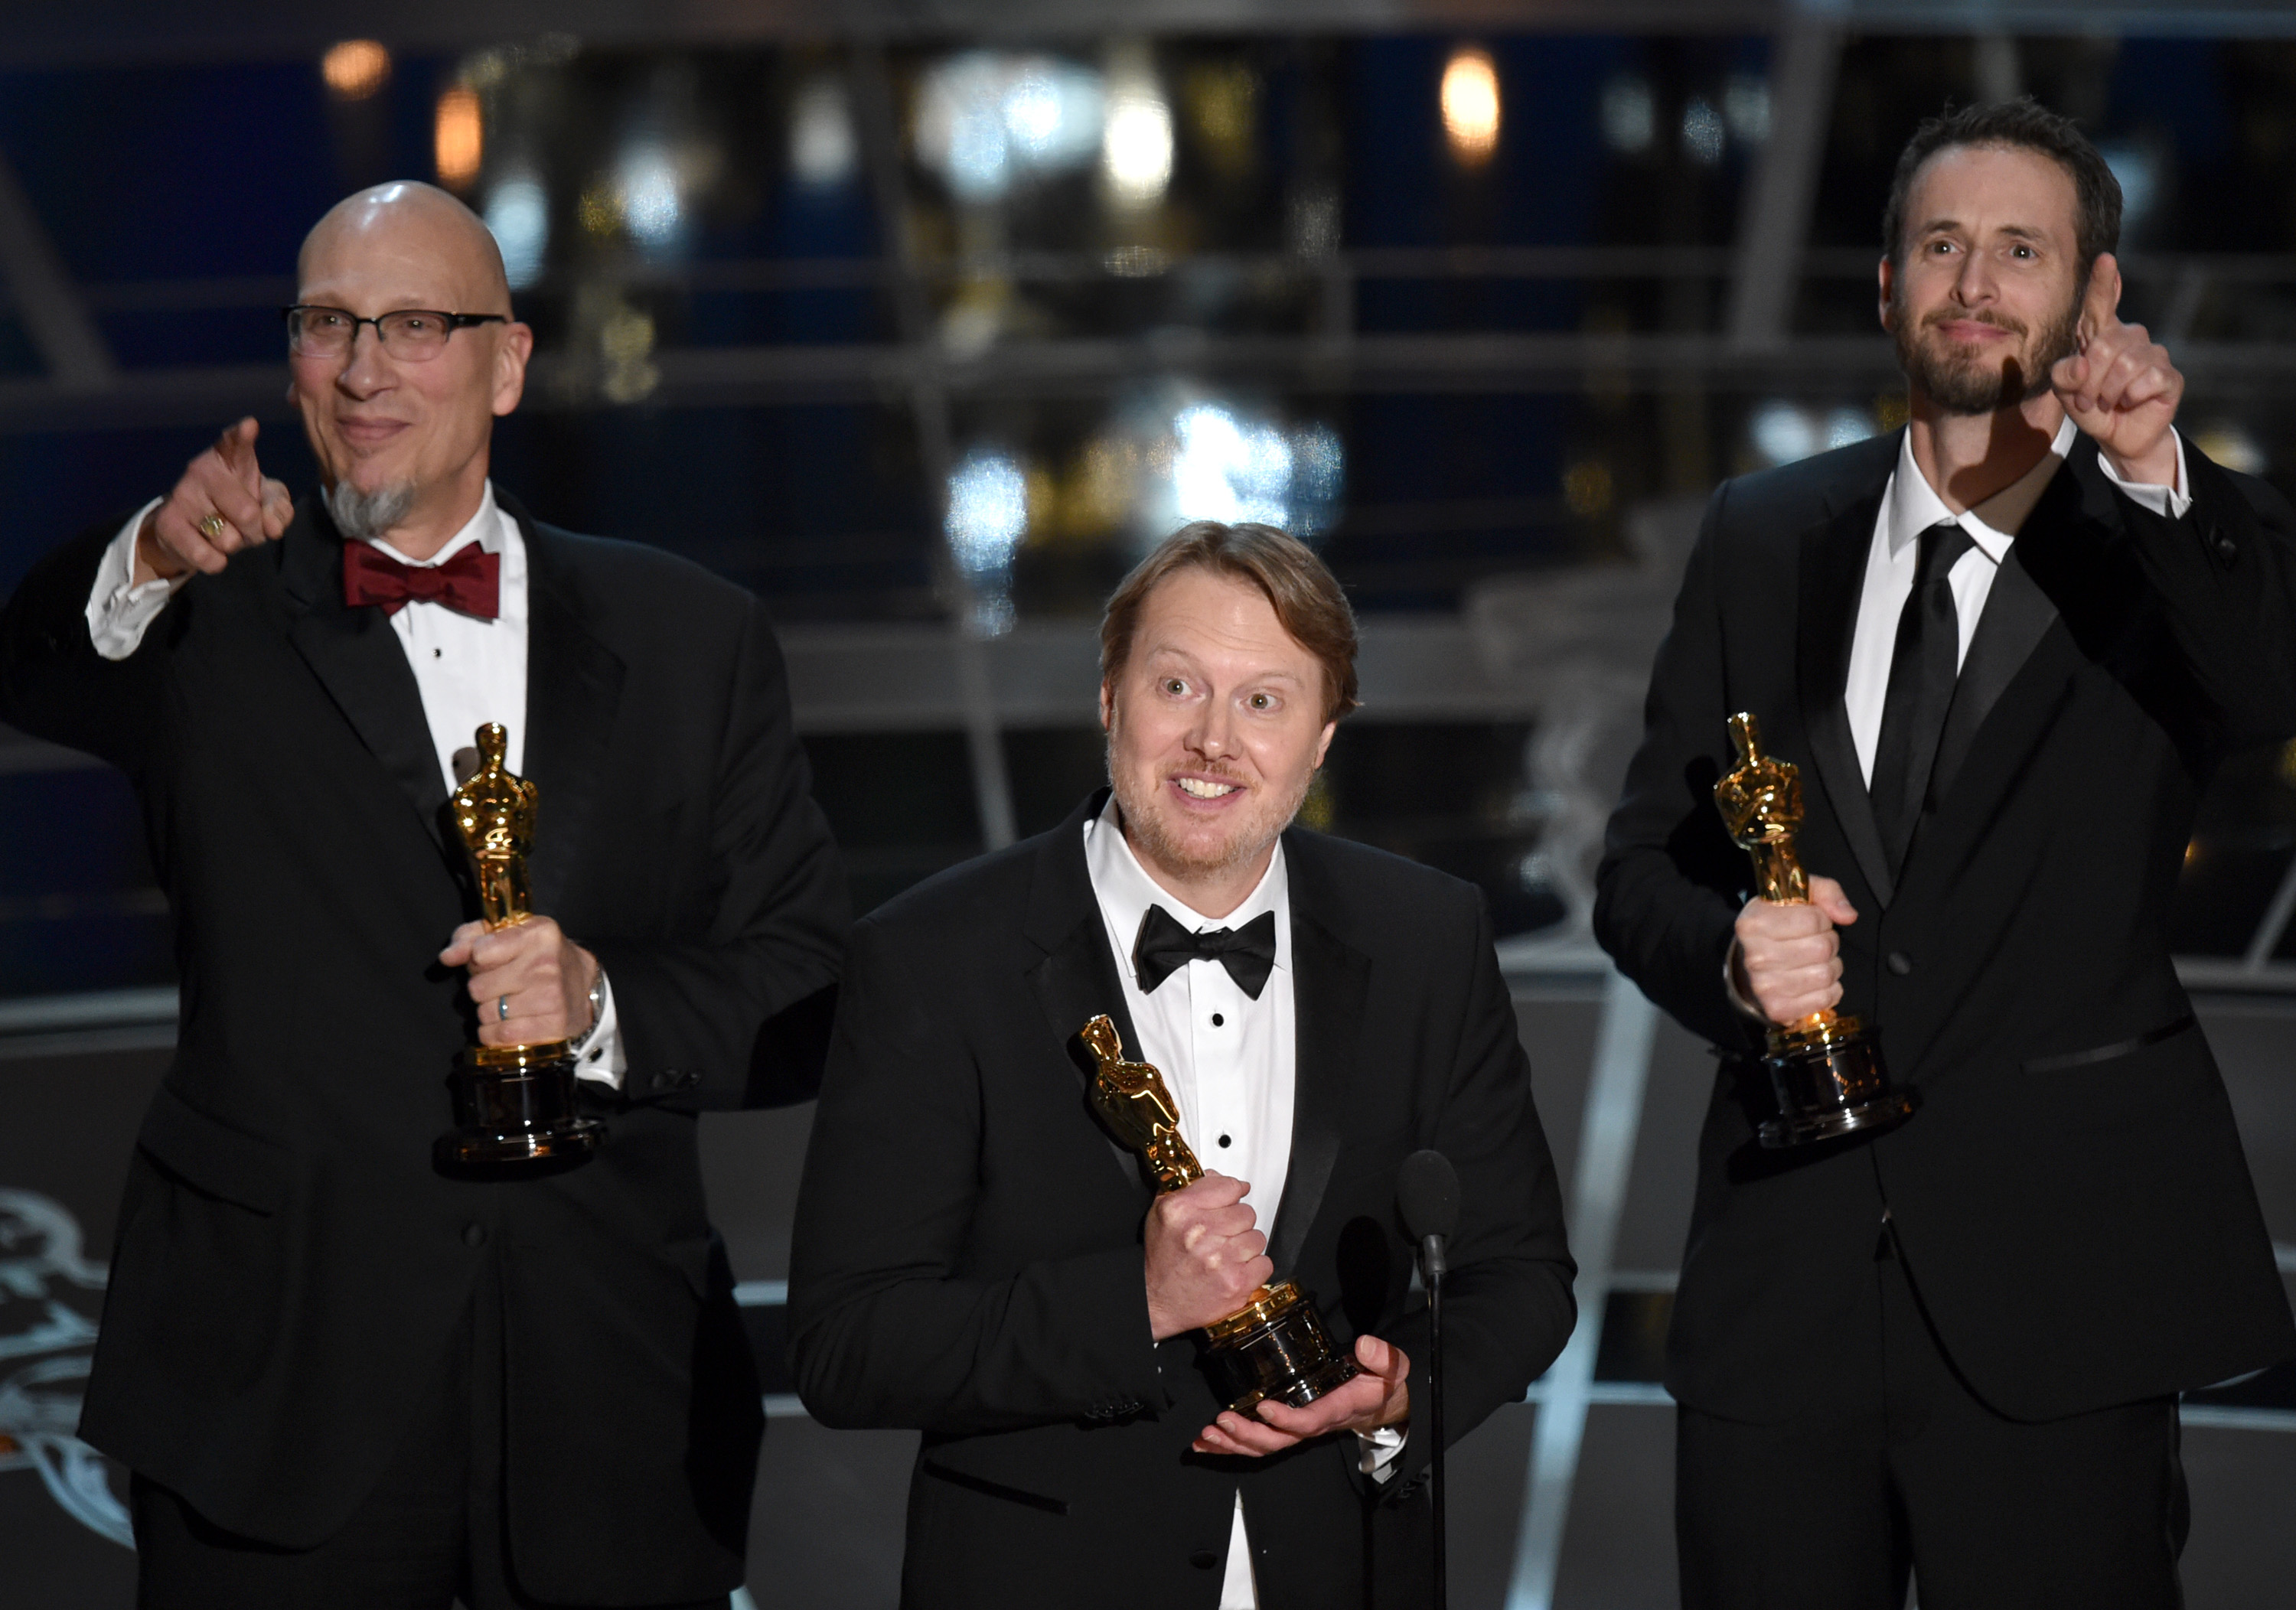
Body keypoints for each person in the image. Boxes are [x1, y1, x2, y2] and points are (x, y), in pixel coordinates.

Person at [0, 181, 848, 1608]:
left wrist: (605, 1008)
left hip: (611, 1391)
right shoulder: (210, 605)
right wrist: (148, 551)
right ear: (292, 361)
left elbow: (809, 973)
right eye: (328, 324)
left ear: (508, 363)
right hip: (277, 1389)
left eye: (413, 324)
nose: (366, 366)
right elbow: (32, 665)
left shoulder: (689, 632)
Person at [1595, 100, 2296, 1608]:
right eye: (1941, 243)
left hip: (2065, 1302)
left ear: (2097, 297)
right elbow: (1642, 857)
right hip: (1782, 1307)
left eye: (2022, 249)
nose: (1975, 279)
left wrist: (2161, 467)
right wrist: (1726, 952)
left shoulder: (2165, 546)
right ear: (1885, 284)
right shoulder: (1761, 533)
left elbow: (2265, 685)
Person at [786, 522, 1574, 1608]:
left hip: (1348, 1568)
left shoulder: (1426, 935)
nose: (1214, 740)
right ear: (1110, 698)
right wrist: (1136, 1303)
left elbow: (1523, 1277)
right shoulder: (933, 954)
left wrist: (1404, 1395)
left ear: (1324, 735)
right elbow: (845, 1345)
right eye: (1177, 686)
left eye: (1264, 700)